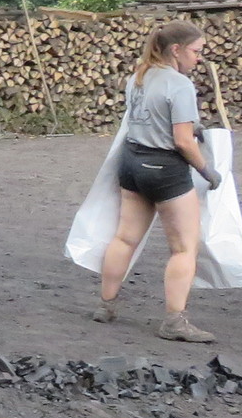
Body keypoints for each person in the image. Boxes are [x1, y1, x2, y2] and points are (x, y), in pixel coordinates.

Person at [92, 19, 221, 343]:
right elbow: (182, 141)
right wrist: (207, 170)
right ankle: (174, 322)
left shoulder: (139, 75)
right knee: (184, 248)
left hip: (131, 162)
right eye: (196, 51)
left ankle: (106, 305)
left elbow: (149, 119)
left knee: (125, 238)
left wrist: (190, 126)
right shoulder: (180, 85)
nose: (199, 58)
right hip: (165, 170)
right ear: (176, 50)